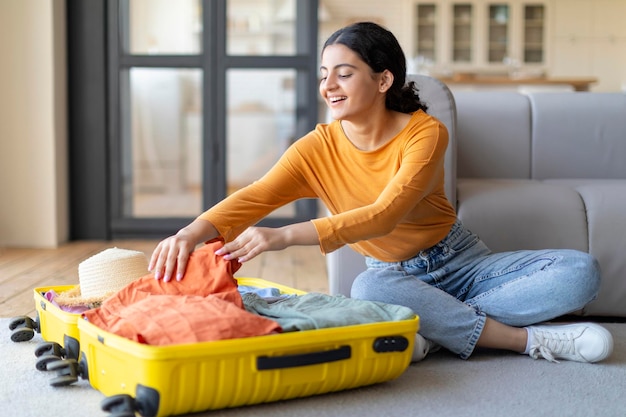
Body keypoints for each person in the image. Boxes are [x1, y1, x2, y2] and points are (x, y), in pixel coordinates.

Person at [149, 21, 613, 363]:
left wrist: (284, 235)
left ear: (383, 79)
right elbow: (254, 196)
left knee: (580, 272)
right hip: (392, 274)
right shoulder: (317, 148)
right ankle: (525, 341)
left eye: (344, 73)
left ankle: (432, 324)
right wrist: (188, 234)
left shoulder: (424, 133)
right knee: (368, 285)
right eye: (324, 73)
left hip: (462, 262)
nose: (328, 86)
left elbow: (386, 213)